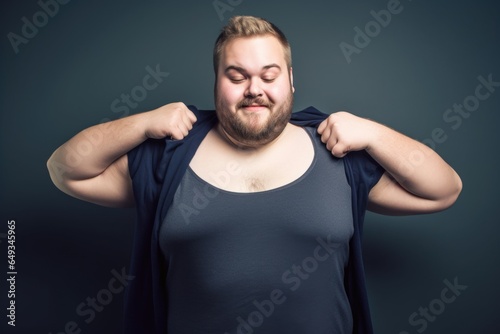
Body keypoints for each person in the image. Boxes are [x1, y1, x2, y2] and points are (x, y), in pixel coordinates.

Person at [47, 15, 462, 334]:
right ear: (217, 83)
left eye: (269, 74)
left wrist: (373, 131)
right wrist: (142, 122)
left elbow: (443, 190)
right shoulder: (167, 160)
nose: (254, 89)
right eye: (237, 75)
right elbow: (65, 169)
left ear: (290, 81)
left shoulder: (339, 153)